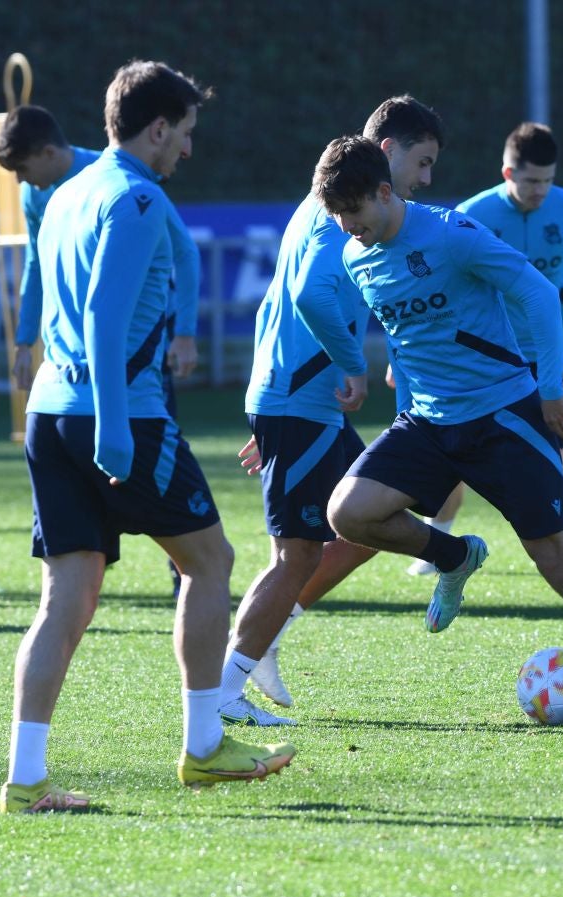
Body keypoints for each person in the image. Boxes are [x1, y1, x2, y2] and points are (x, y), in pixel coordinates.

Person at [0, 61, 293, 815]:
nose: (188, 149)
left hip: (49, 413)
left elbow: (54, 295)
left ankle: (25, 780)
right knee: (210, 562)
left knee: (66, 598)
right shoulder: (134, 198)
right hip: (119, 411)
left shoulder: (67, 193)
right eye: (185, 133)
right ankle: (204, 746)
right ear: (157, 128)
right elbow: (104, 314)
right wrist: (115, 424)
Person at [315, 135, 563, 729]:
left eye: (353, 211)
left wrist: (549, 387)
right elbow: (399, 328)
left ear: (383, 192)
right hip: (428, 421)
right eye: (337, 216)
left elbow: (537, 294)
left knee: (558, 562)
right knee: (348, 512)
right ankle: (454, 555)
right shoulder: (355, 255)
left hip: (503, 416)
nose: (347, 226)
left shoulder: (451, 233)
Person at [223, 96, 446, 724]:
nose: (426, 178)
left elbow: (276, 302)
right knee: (295, 554)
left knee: (369, 519)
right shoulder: (338, 213)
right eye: (422, 162)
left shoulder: (325, 200)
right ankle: (226, 687)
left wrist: (269, 405)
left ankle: (263, 641)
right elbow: (306, 292)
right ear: (387, 153)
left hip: (298, 402)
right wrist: (349, 366)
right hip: (300, 401)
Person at [0, 104, 200, 594]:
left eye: (23, 168)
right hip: (70, 380)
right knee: (89, 559)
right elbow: (38, 265)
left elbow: (184, 251)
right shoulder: (38, 193)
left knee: (188, 525)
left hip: (133, 362)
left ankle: (181, 569)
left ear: (48, 152)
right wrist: (25, 339)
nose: (22, 180)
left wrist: (184, 331)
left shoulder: (123, 183)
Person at [414, 122, 563, 577]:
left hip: (548, 351)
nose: (541, 191)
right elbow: (444, 288)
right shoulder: (472, 215)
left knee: (559, 453)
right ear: (508, 173)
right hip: (490, 356)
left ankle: (559, 546)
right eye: (531, 181)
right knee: (458, 448)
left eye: (548, 180)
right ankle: (439, 539)